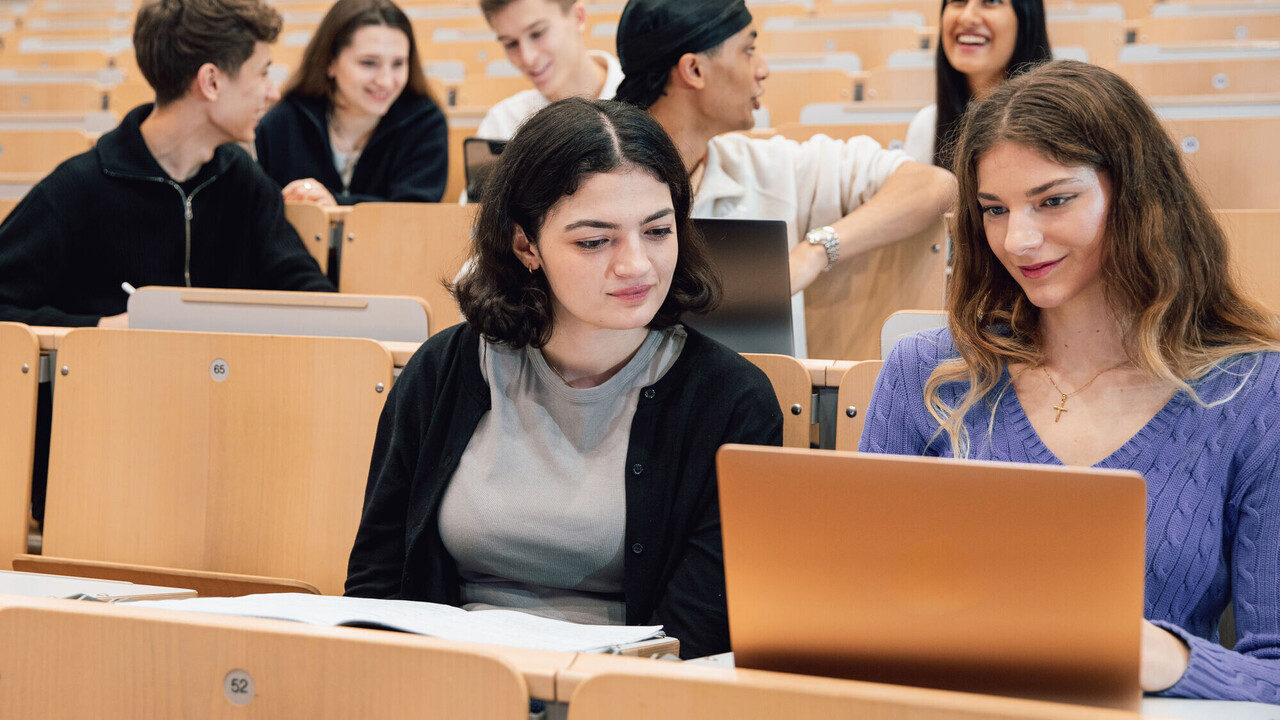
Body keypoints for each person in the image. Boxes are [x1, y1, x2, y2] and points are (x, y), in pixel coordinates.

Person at [861, 60, 1280, 702]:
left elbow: (1273, 668)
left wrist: (1162, 655)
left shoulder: (1252, 394)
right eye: (994, 210)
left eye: (1053, 200)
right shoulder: (924, 374)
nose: (1018, 239)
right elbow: (856, 619)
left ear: (1136, 195)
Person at [345, 98, 783, 660]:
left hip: (626, 697)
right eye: (594, 241)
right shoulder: (442, 372)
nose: (636, 266)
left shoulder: (731, 401)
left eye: (657, 230)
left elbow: (699, 633)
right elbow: (375, 588)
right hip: (449, 682)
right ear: (526, 245)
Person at [613, 0, 956, 357]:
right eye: (748, 51)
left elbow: (933, 185)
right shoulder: (596, 179)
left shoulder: (769, 166)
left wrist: (814, 252)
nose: (762, 70)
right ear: (694, 69)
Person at [0, 0, 332, 329]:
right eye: (262, 74)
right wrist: (97, 328)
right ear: (211, 82)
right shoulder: (74, 188)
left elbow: (307, 292)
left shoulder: (242, 178)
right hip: (110, 380)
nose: (272, 93)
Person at [255, 0, 447, 204]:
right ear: (330, 62)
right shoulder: (282, 122)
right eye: (369, 63)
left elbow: (415, 214)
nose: (386, 81)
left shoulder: (426, 123)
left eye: (398, 63)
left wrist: (336, 205)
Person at [902, 0, 1052, 167]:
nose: (967, 17)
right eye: (958, 1)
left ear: (1027, 18)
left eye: (991, 1)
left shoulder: (1060, 120)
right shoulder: (927, 125)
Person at [474, 0, 623, 141]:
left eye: (537, 33)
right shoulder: (502, 125)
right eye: (511, 44)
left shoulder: (644, 103)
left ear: (578, 18)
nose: (527, 58)